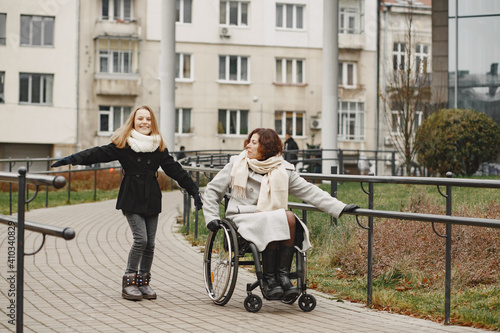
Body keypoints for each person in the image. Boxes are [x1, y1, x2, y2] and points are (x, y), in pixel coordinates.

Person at [51, 105, 203, 301]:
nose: (144, 122)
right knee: (141, 240)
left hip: (152, 198)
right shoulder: (123, 145)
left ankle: (143, 282)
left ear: (152, 123)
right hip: (131, 197)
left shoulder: (158, 147)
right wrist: (69, 159)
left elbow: (175, 170)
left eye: (148, 119)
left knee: (150, 244)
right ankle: (129, 281)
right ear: (133, 121)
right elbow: (96, 154)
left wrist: (194, 191)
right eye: (140, 118)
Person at [202, 128, 358, 301]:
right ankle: (269, 279)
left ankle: (282, 277)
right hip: (242, 219)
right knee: (275, 218)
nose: (248, 146)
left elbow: (309, 192)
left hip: (271, 217)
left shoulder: (283, 169)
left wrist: (340, 207)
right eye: (249, 141)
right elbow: (212, 191)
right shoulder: (237, 164)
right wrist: (212, 218)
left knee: (289, 217)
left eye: (254, 143)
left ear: (266, 148)